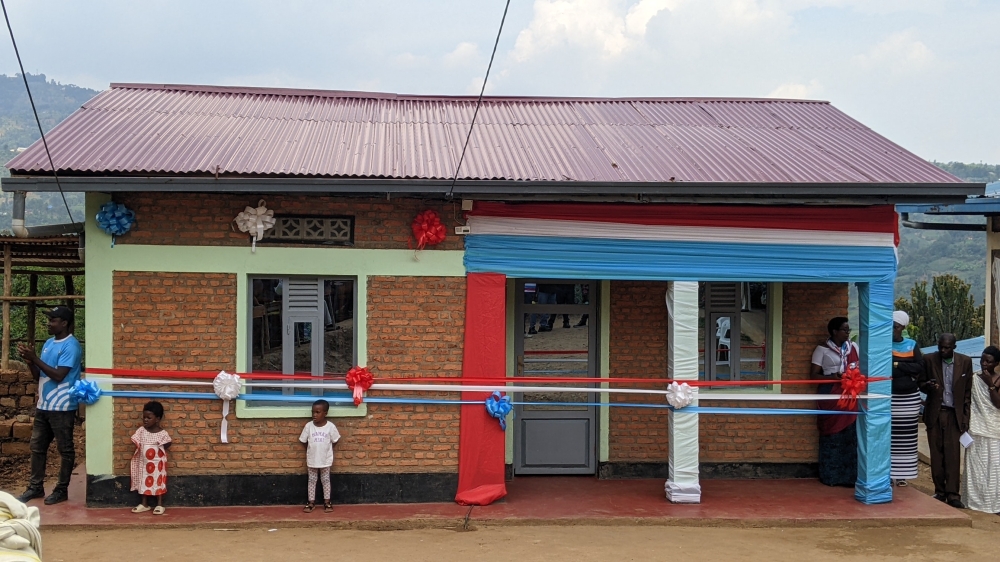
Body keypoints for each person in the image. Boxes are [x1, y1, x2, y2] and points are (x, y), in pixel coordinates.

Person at [15, 306, 83, 506]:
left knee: (65, 449)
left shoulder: (71, 346)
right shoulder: (48, 343)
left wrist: (35, 358)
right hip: (44, 405)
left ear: (64, 323)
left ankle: (61, 489)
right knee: (37, 447)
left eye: (53, 320)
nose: (49, 323)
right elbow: (40, 376)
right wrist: (30, 362)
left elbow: (59, 375)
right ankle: (36, 487)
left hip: (63, 406)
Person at [920, 333, 973, 508]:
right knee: (936, 453)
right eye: (940, 346)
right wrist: (928, 386)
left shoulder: (965, 362)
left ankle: (953, 494)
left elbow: (967, 394)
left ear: (954, 347)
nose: (943, 350)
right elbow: (920, 383)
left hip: (954, 414)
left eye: (947, 347)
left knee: (952, 455)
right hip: (935, 412)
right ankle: (940, 491)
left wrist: (965, 419)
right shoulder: (929, 360)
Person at [809, 316, 859, 487]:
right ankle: (831, 475)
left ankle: (850, 476)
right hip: (830, 393)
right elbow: (813, 375)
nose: (847, 333)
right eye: (845, 330)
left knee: (850, 433)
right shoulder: (822, 350)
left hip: (849, 394)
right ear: (834, 331)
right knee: (832, 435)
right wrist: (833, 378)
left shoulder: (853, 347)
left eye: (849, 330)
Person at [962, 346, 1000, 514]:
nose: (984, 364)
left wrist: (990, 385)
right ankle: (973, 500)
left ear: (997, 363)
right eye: (982, 360)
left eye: (989, 361)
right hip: (976, 429)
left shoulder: (998, 379)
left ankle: (994, 503)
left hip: (993, 429)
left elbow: (998, 404)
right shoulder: (974, 378)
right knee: (976, 466)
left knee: (994, 467)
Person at [890, 311, 923, 487]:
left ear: (902, 327)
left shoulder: (911, 344)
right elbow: (885, 368)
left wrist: (896, 364)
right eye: (890, 326)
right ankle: (888, 473)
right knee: (889, 435)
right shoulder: (883, 345)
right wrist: (905, 367)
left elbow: (919, 367)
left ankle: (902, 475)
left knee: (906, 438)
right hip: (890, 398)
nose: (892, 330)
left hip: (909, 399)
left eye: (895, 326)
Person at [129, 401, 172, 515]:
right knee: (143, 481)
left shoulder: (162, 433)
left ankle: (159, 504)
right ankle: (144, 504)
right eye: (144, 417)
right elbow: (135, 440)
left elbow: (168, 443)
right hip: (143, 464)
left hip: (158, 465)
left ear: (157, 419)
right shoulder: (141, 431)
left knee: (158, 482)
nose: (145, 420)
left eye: (149, 417)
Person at [299, 399, 341, 513]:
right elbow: (303, 441)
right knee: (312, 480)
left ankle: (327, 502)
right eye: (313, 412)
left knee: (326, 480)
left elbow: (335, 440)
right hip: (312, 459)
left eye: (318, 412)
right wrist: (312, 449)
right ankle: (311, 502)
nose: (314, 415)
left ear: (325, 413)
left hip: (325, 459)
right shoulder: (309, 426)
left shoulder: (330, 427)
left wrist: (327, 449)